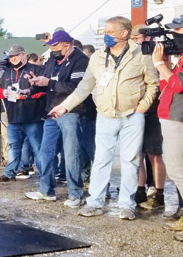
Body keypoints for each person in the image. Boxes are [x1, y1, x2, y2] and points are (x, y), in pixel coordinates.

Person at [50, 16, 158, 221]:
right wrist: (64, 106)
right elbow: (85, 87)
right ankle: (95, 203)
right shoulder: (98, 57)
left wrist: (143, 105)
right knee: (100, 160)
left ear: (124, 33)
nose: (105, 35)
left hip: (133, 115)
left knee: (131, 161)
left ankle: (127, 205)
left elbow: (153, 84)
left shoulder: (141, 55)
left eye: (109, 31)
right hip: (105, 116)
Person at [24, 31, 89, 207]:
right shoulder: (52, 60)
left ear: (67, 45)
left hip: (71, 112)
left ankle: (76, 193)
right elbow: (47, 83)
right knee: (45, 152)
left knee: (71, 153)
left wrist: (48, 83)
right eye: (51, 46)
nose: (52, 49)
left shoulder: (81, 60)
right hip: (51, 112)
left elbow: (77, 88)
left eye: (55, 46)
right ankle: (46, 190)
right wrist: (34, 86)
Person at [0, 44, 46, 182]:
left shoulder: (36, 69)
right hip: (13, 118)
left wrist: (27, 96)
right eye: (11, 56)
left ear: (23, 54)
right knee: (13, 147)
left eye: (16, 56)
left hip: (32, 117)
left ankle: (45, 175)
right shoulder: (7, 72)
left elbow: (43, 90)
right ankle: (9, 173)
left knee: (37, 148)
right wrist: (3, 93)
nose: (13, 59)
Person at [151, 17, 183, 240]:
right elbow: (167, 86)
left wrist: (159, 64)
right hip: (170, 115)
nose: (174, 36)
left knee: (177, 170)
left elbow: (179, 86)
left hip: (177, 118)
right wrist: (167, 65)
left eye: (178, 31)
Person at [130, 30, 166, 211]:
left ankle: (159, 193)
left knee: (154, 154)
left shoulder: (158, 54)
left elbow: (158, 83)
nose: (134, 41)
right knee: (137, 154)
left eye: (137, 38)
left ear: (148, 38)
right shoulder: (130, 56)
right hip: (134, 111)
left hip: (152, 111)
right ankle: (140, 190)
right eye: (132, 38)